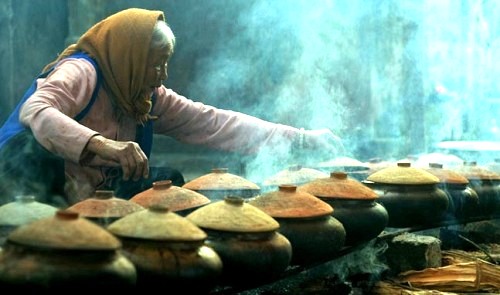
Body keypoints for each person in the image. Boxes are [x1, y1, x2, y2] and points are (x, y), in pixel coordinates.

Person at [0, 8, 344, 207]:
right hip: (31, 189)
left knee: (168, 182)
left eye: (166, 64)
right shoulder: (84, 71)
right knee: (32, 150)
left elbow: (215, 123)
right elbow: (38, 110)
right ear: (130, 57)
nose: (163, 75)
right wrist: (103, 145)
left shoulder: (147, 97)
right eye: (155, 64)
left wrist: (300, 139)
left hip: (93, 196)